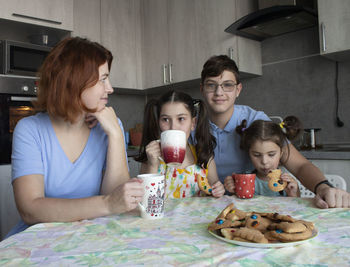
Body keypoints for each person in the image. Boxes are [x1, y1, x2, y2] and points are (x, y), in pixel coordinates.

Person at [7, 37, 144, 238]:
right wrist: (106, 204)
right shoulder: (30, 130)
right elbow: (30, 209)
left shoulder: (109, 127)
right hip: (39, 240)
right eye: (103, 79)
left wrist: (115, 134)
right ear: (74, 81)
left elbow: (119, 201)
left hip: (92, 237)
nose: (110, 88)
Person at [200, 55, 350, 208]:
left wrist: (323, 187)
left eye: (228, 85)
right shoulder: (192, 125)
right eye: (211, 85)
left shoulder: (256, 120)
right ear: (202, 89)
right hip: (208, 204)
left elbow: (300, 165)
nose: (219, 92)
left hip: (250, 207)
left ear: (238, 89)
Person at [136, 90, 225, 199]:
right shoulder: (150, 158)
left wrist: (218, 189)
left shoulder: (204, 155)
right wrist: (152, 165)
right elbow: (145, 200)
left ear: (193, 123)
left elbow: (214, 189)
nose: (173, 127)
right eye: (165, 119)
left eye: (181, 119)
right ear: (158, 123)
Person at [224, 117, 302, 197]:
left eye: (271, 154)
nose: (264, 161)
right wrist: (233, 190)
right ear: (249, 153)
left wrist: (293, 194)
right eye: (257, 155)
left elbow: (296, 207)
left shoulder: (287, 182)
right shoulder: (245, 179)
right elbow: (238, 205)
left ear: (281, 153)